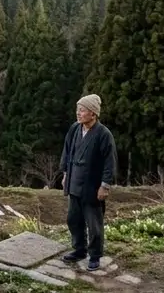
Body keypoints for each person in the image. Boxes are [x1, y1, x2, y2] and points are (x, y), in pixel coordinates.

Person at [58, 94, 117, 272]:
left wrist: (105, 185)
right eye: (78, 110)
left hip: (92, 186)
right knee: (73, 219)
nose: (78, 113)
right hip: (74, 182)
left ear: (93, 113)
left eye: (82, 110)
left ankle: (95, 255)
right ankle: (79, 249)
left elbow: (110, 162)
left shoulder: (103, 134)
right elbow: (67, 152)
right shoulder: (75, 129)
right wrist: (66, 174)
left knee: (94, 224)